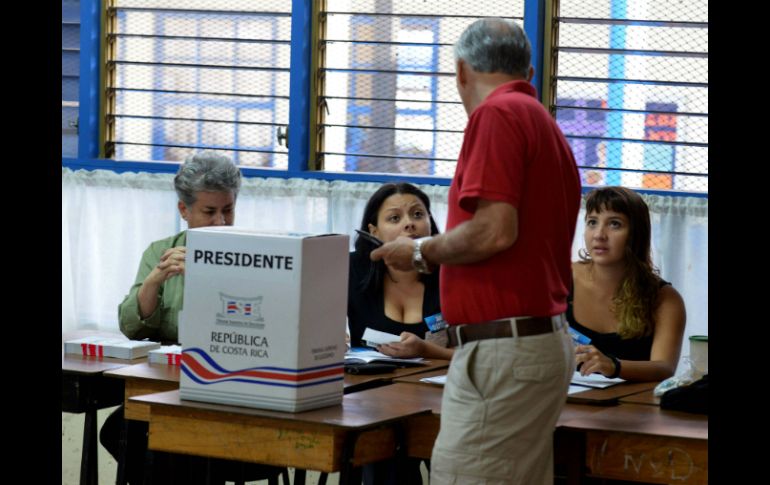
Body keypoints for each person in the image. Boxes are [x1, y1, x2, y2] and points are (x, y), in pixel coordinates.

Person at [371, 18, 581, 485]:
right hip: (531, 343)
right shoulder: (542, 121)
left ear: (461, 72)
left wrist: (420, 251)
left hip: (504, 350)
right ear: (528, 71)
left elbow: (493, 232)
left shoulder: (497, 115)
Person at [100, 152, 283, 484]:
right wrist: (155, 280)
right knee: (122, 430)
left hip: (233, 386)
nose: (221, 223)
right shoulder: (161, 252)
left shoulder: (258, 254)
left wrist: (212, 277)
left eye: (228, 210)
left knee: (179, 443)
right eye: (209, 212)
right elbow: (131, 326)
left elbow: (267, 326)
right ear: (183, 210)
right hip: (173, 386)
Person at [571, 186, 686, 381]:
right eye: (592, 222)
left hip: (632, 407)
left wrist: (613, 366)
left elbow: (665, 367)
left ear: (636, 234)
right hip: (562, 400)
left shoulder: (665, 299)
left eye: (614, 224)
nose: (599, 234)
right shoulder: (560, 279)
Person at [349, 182, 453, 362]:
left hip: (434, 382)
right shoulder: (351, 268)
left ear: (430, 222)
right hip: (365, 383)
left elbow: (478, 354)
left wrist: (426, 350)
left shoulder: (452, 271)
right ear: (374, 232)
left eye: (418, 215)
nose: (409, 224)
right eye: (395, 218)